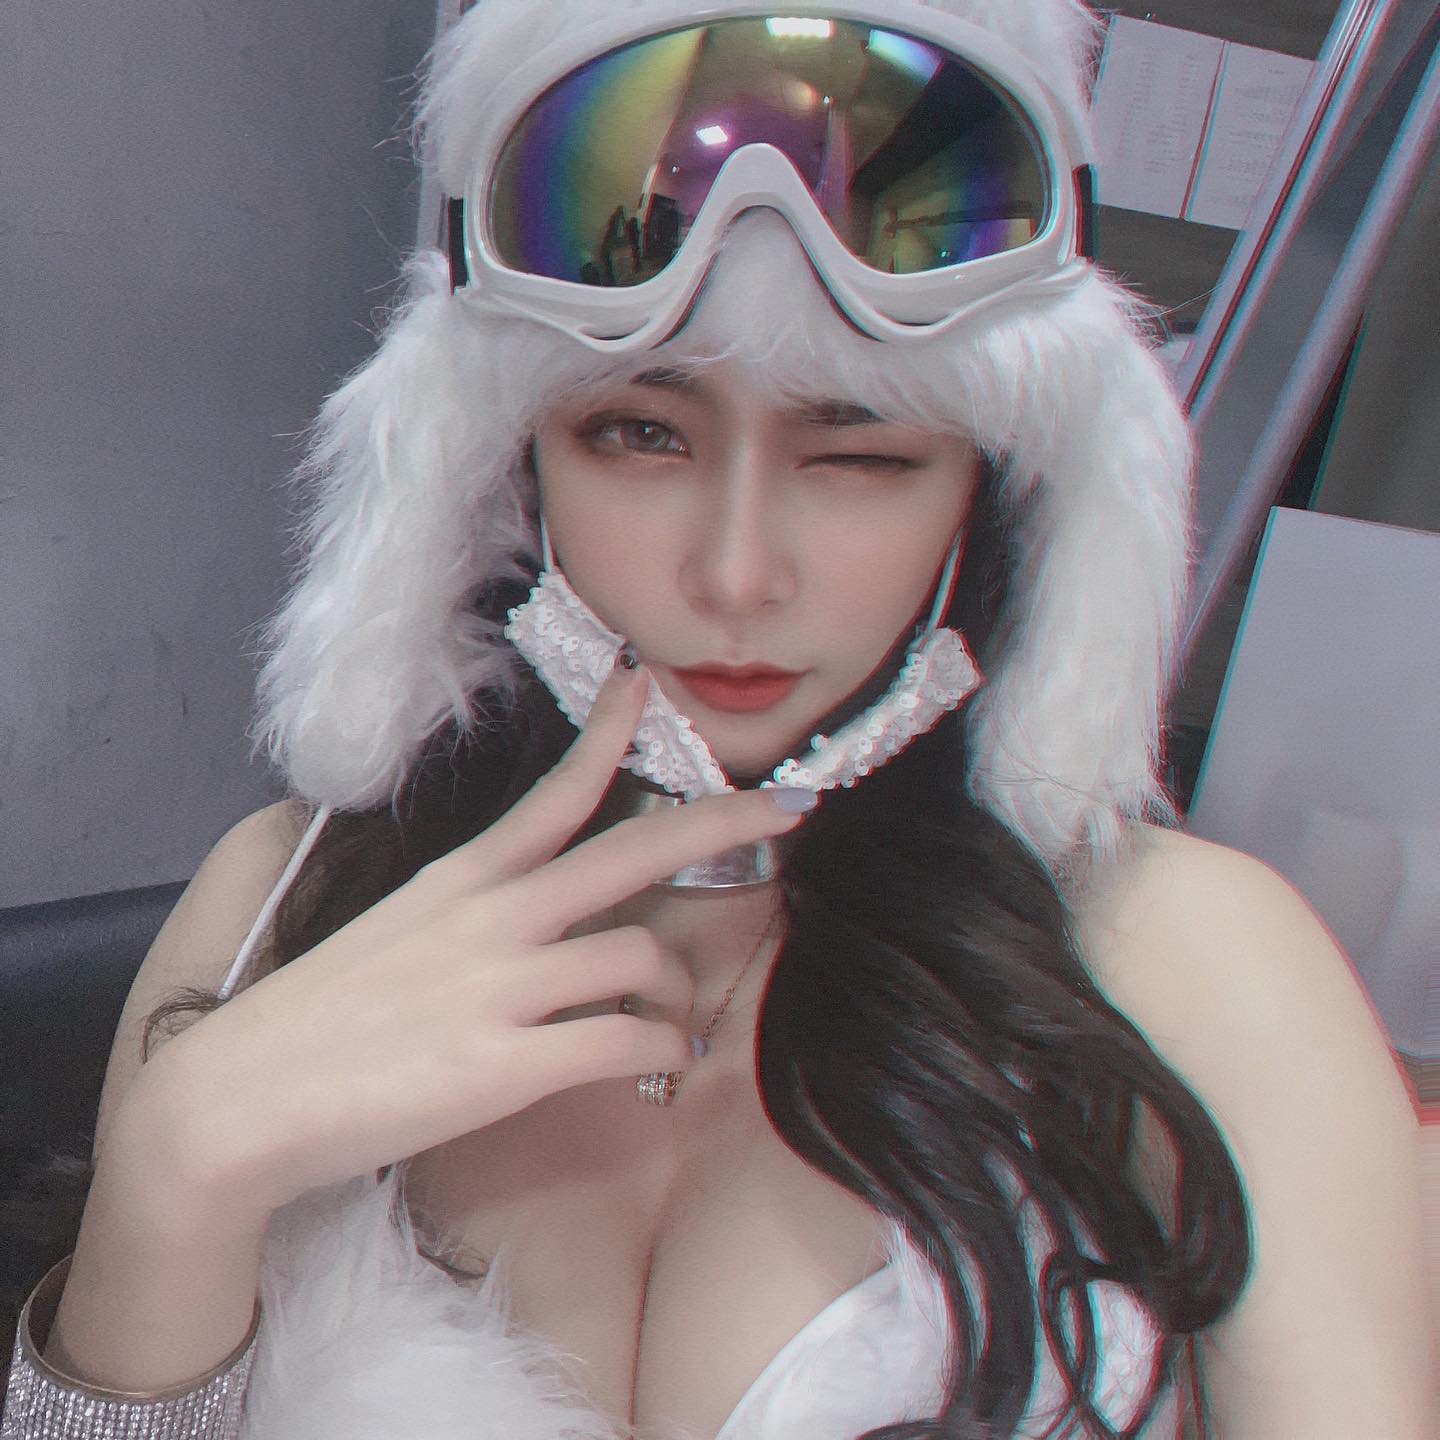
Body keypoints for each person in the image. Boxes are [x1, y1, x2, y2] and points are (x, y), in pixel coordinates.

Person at [5, 1, 1430, 1436]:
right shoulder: (282, 898)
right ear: (507, 460)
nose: (737, 575)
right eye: (640, 433)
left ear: (987, 486)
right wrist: (173, 1181)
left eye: (861, 453)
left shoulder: (1192, 962)